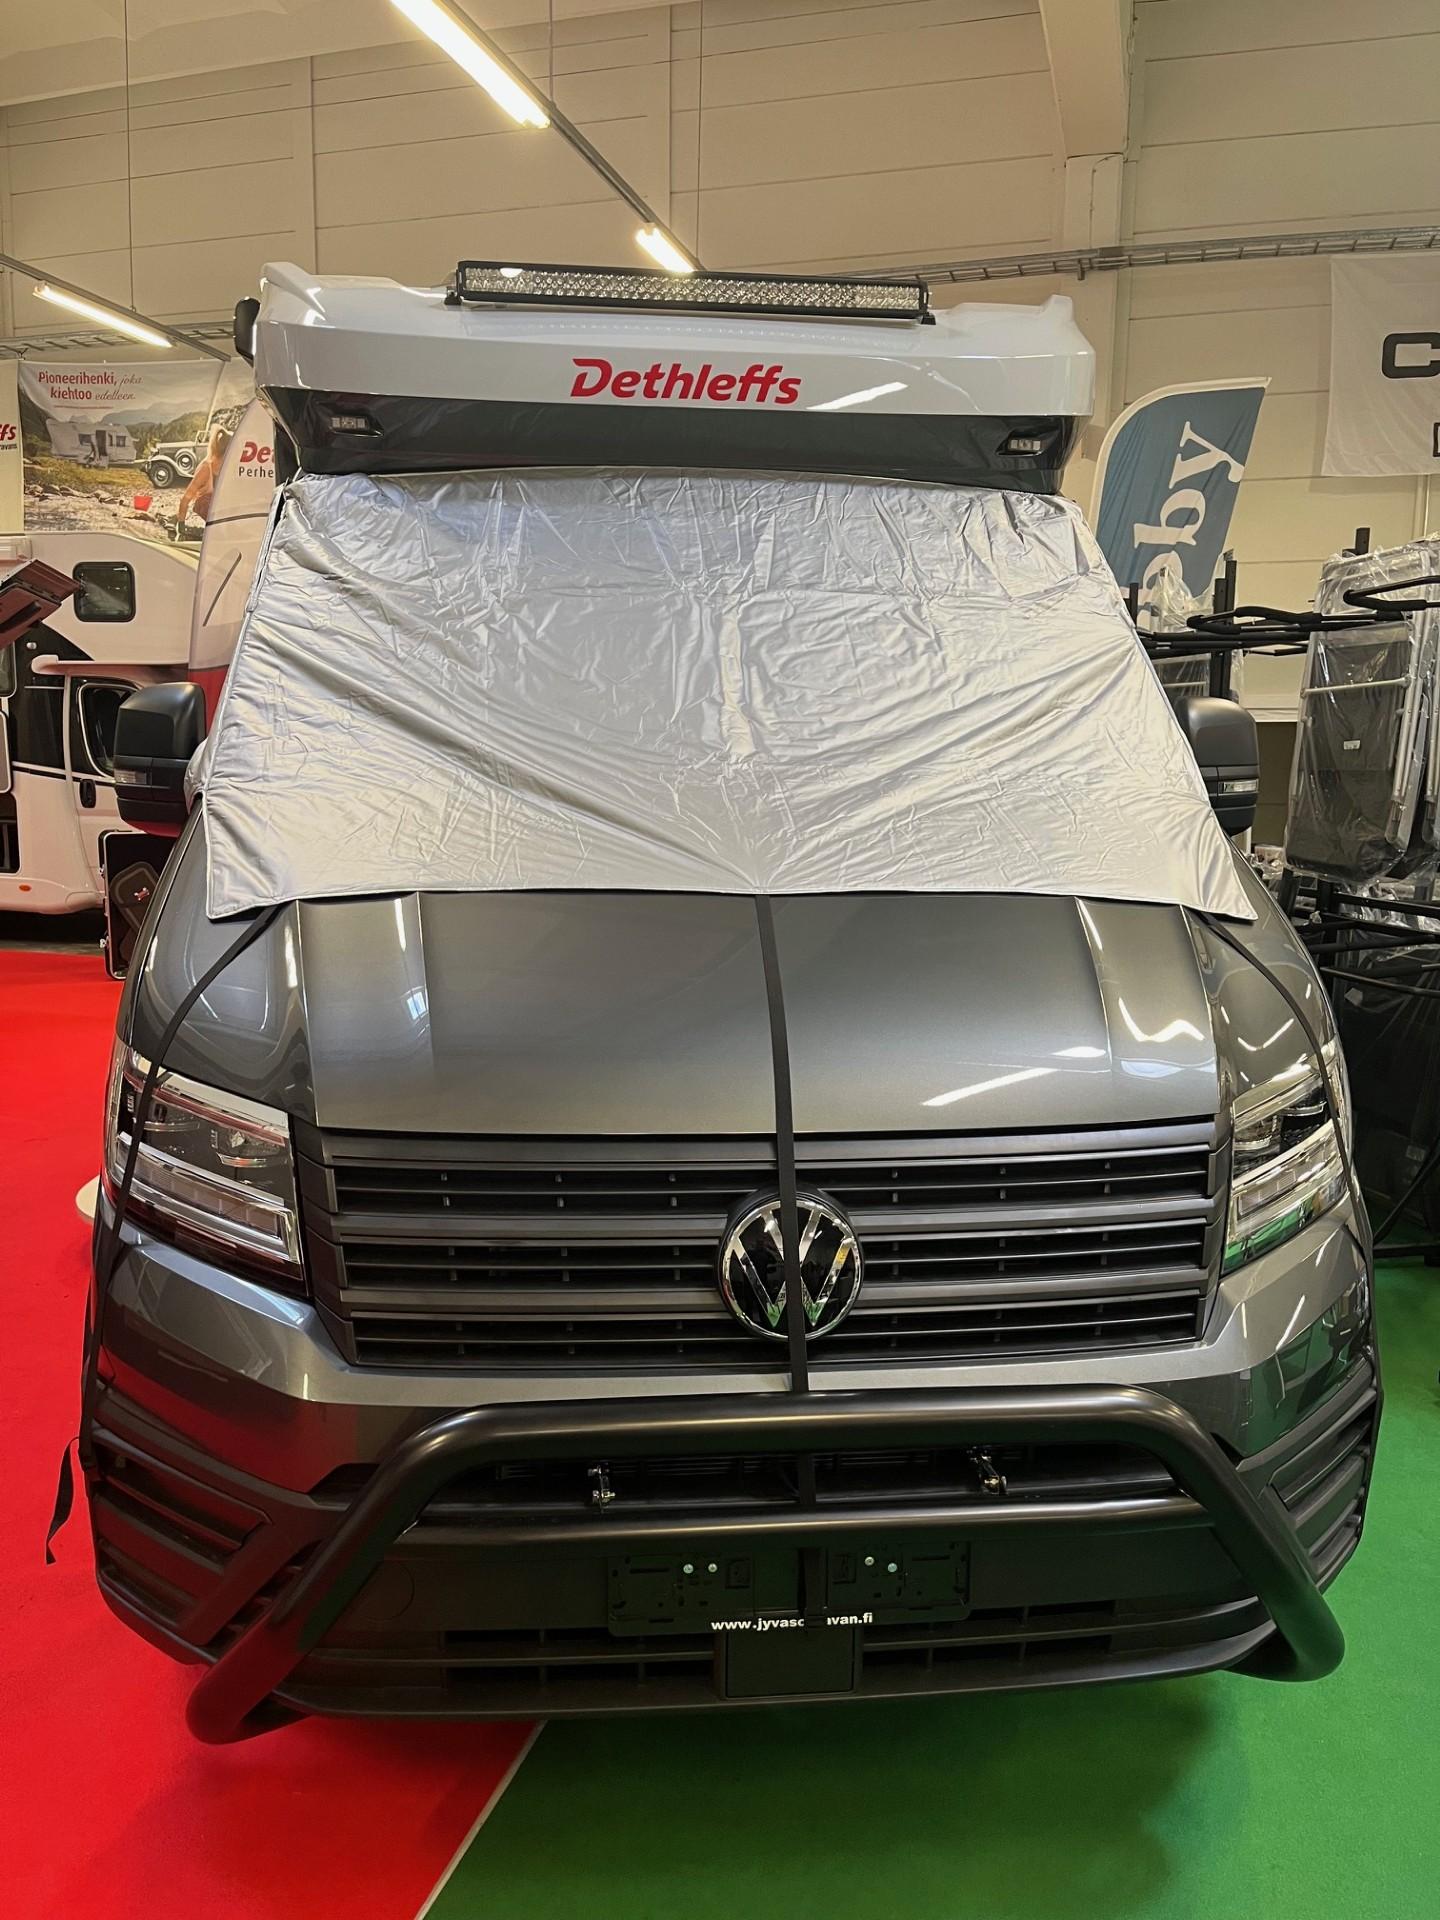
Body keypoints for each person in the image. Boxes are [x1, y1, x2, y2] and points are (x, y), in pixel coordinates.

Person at [174, 424, 232, 532]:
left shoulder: (228, 467)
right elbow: (186, 498)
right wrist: (181, 525)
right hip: (204, 509)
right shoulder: (206, 469)